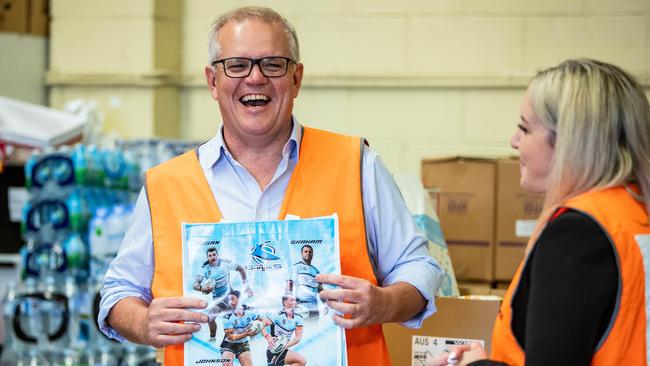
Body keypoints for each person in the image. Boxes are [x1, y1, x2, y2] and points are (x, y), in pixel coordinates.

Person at [99, 6, 441, 365]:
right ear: (212, 81)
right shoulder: (165, 185)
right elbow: (118, 292)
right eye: (237, 65)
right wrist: (143, 321)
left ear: (296, 78)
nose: (255, 78)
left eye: (273, 64)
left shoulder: (356, 165)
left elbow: (420, 268)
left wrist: (384, 303)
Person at [429, 59, 650, 366]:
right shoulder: (633, 214)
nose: (514, 141)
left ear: (571, 141)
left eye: (524, 128)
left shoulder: (578, 235)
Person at [192, 246, 253, 340]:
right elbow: (195, 283)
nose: (213, 257)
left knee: (241, 313)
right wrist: (202, 289)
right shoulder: (205, 268)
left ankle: (250, 332)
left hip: (230, 295)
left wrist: (247, 286)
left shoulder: (225, 263)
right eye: (210, 256)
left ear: (217, 255)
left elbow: (241, 268)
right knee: (210, 318)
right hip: (218, 299)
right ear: (207, 257)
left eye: (214, 254)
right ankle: (212, 339)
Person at [220, 290, 270, 366]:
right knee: (227, 364)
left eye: (232, 299)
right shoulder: (227, 317)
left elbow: (263, 321)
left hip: (243, 344)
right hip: (228, 343)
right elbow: (231, 337)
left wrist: (265, 334)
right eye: (229, 300)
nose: (231, 302)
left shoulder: (251, 311)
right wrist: (246, 334)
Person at [262, 293, 305, 366]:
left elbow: (298, 338)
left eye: (294, 300)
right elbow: (261, 325)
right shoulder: (277, 315)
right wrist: (268, 337)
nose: (294, 302)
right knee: (301, 361)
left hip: (283, 349)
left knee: (301, 361)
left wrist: (285, 346)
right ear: (285, 302)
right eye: (291, 300)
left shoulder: (298, 318)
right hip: (273, 350)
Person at [292, 245, 324, 316]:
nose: (308, 253)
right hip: (300, 306)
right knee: (300, 326)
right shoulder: (296, 267)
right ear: (301, 253)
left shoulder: (316, 271)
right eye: (305, 251)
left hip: (314, 308)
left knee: (314, 327)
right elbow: (290, 286)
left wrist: (325, 304)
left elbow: (320, 290)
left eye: (310, 252)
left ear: (312, 254)